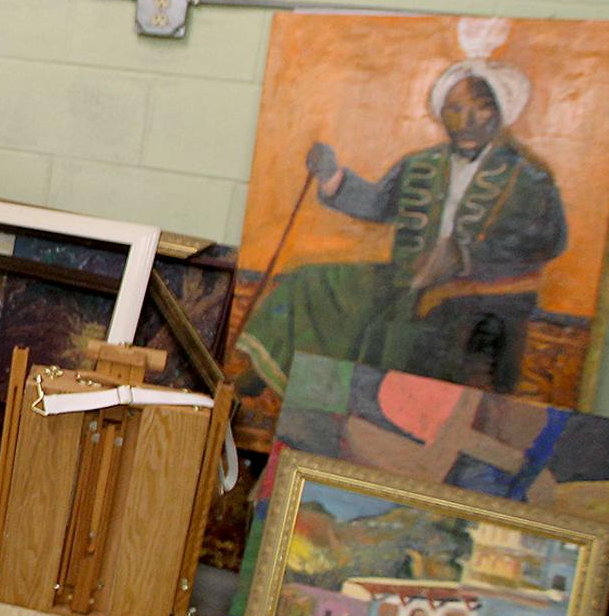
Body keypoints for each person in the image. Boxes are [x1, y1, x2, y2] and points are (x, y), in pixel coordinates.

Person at [235, 55, 566, 398]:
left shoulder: (527, 178)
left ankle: (357, 401)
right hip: (406, 274)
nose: (464, 121)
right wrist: (331, 176)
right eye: (453, 110)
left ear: (499, 111)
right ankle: (270, 365)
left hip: (475, 286)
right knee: (309, 281)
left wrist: (464, 257)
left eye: (478, 108)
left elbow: (548, 241)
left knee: (396, 325)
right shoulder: (422, 164)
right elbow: (379, 204)